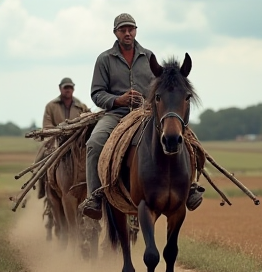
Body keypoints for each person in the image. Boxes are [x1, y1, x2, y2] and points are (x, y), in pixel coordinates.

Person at [83, 13, 204, 220]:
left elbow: (163, 88)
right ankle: (95, 196)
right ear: (116, 33)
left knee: (191, 143)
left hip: (147, 114)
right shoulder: (104, 59)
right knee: (94, 144)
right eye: (123, 30)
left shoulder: (149, 57)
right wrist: (118, 100)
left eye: (131, 29)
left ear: (136, 31)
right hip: (116, 114)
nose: (127, 33)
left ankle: (190, 186)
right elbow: (96, 93)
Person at [36, 77, 90, 199]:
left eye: (70, 87)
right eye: (66, 87)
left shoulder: (81, 106)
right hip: (55, 140)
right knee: (41, 157)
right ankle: (41, 188)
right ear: (60, 89)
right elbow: (47, 125)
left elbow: (87, 122)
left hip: (76, 141)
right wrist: (60, 131)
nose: (68, 90)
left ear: (73, 89)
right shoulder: (51, 106)